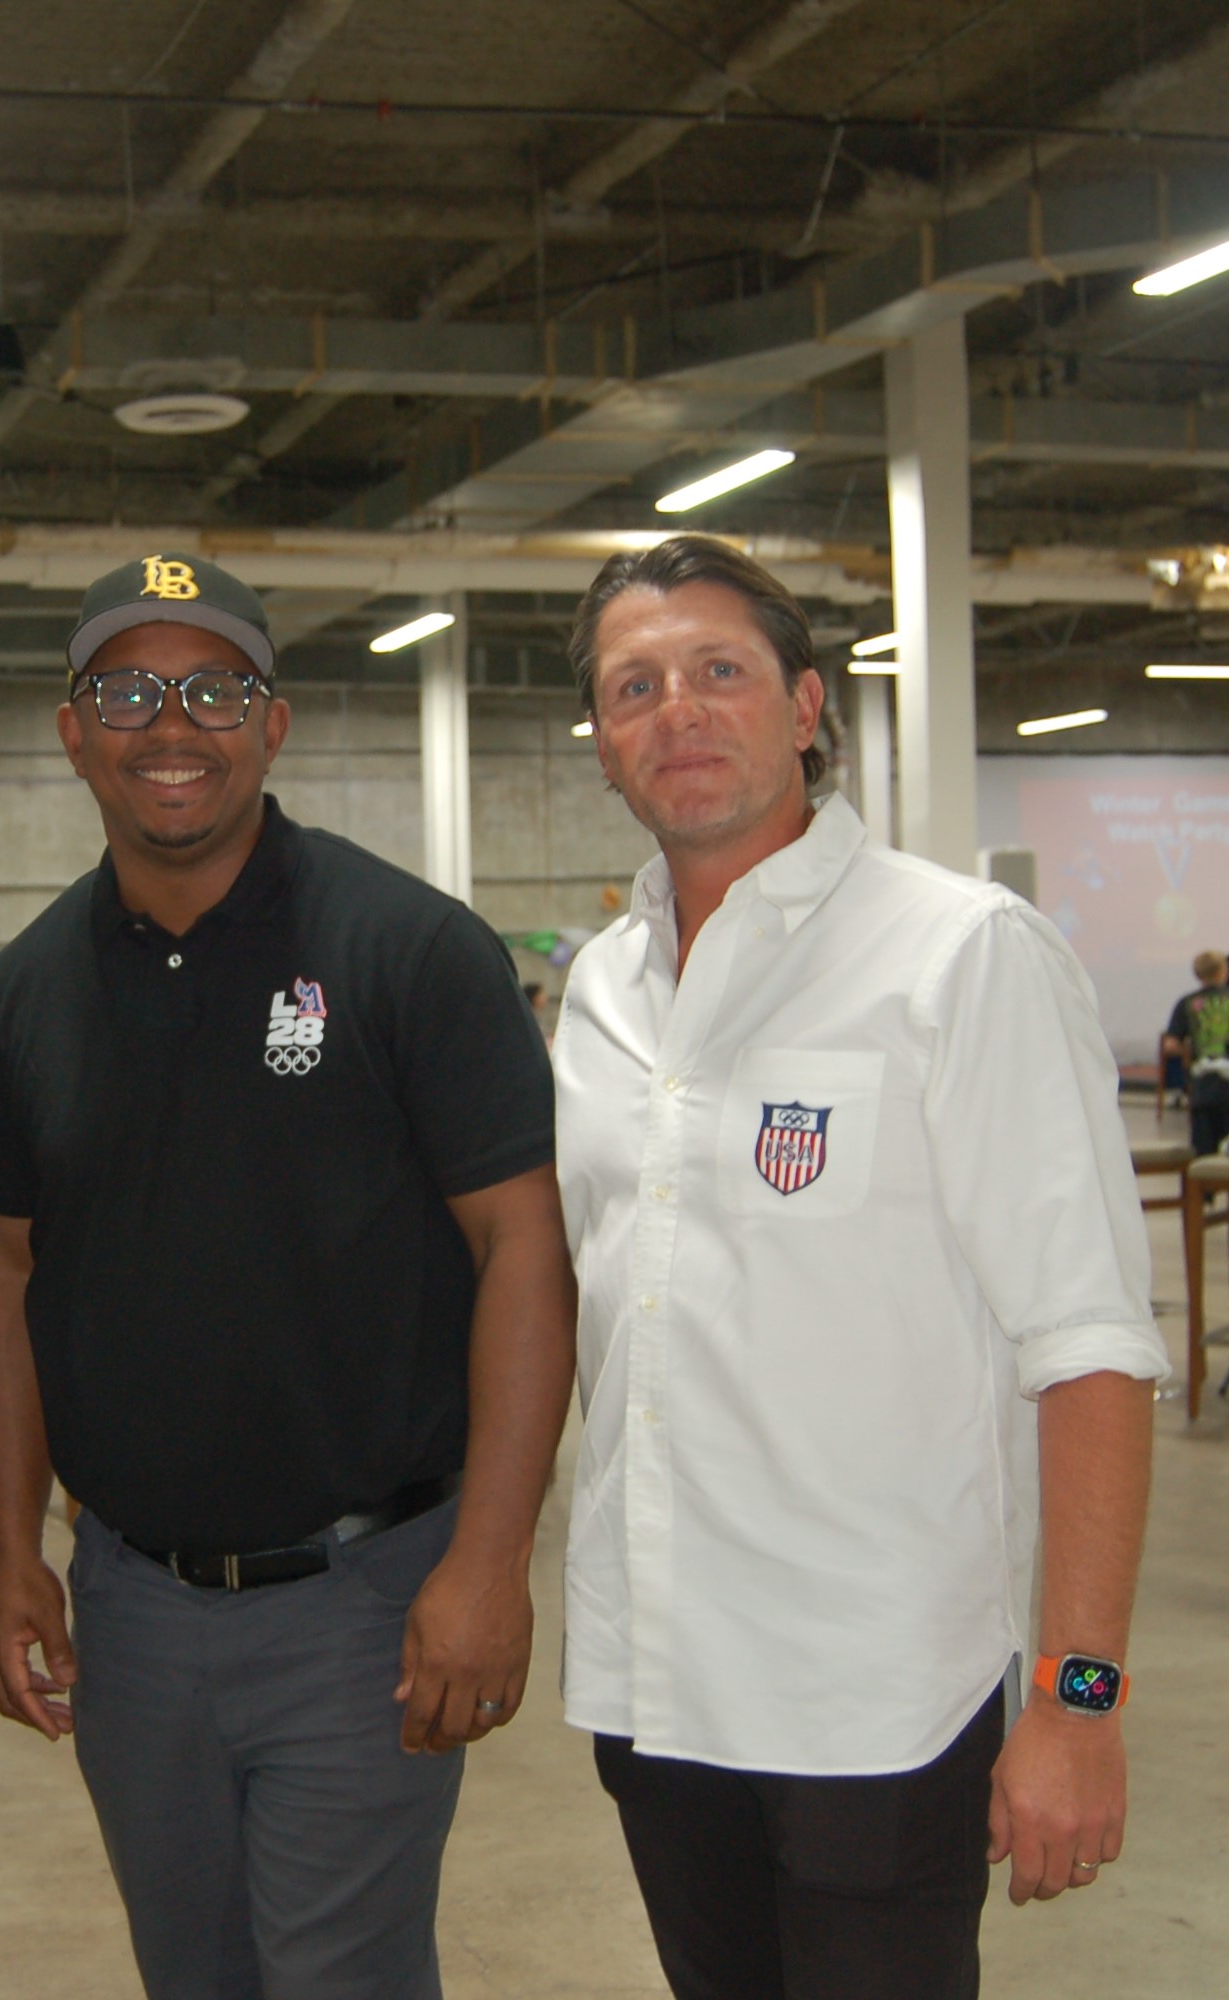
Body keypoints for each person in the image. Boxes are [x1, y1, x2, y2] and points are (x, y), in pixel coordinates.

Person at [554, 536, 1168, 2000]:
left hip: (872, 1706)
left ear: (807, 705)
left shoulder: (957, 956)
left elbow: (1088, 1349)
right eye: (632, 688)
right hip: (653, 1689)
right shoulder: (598, 993)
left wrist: (1076, 1702)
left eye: (719, 672)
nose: (677, 712)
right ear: (599, 746)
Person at [0, 552, 576, 1999]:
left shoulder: (407, 952)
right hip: (129, 1603)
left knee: (336, 1976)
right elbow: (1, 1274)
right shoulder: (29, 990)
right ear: (71, 730)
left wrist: (486, 1562)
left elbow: (522, 1250)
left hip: (360, 1599)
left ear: (271, 723)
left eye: (210, 688)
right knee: (192, 1974)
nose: (167, 724)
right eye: (125, 689)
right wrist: (12, 1559)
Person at [1161, 949, 1229, 1151]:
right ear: (1223, 971)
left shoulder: (1186, 1003)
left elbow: (1170, 1045)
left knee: (1203, 1150)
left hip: (1202, 1086)